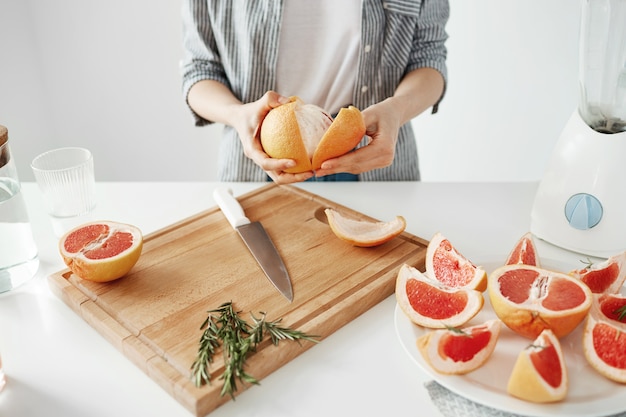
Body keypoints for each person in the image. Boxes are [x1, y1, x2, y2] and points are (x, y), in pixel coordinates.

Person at [181, 0, 448, 184]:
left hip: (373, 163)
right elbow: (201, 69)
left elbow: (428, 58)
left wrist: (398, 108)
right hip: (255, 166)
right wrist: (237, 115)